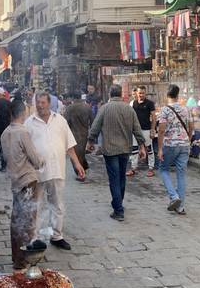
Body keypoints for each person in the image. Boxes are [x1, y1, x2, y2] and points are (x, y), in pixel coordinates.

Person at [25, 91, 85, 250]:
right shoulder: (29, 123)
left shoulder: (60, 120)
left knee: (57, 204)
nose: (40, 105)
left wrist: (77, 164)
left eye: (43, 102)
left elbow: (69, 145)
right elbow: (23, 148)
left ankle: (57, 236)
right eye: (38, 103)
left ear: (49, 103)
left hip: (57, 169)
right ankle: (34, 237)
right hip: (37, 172)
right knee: (36, 205)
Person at [87, 84, 146, 221]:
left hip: (110, 149)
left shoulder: (104, 108)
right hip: (125, 148)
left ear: (110, 94)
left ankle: (118, 210)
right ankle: (118, 203)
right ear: (120, 94)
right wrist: (142, 146)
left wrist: (90, 141)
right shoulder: (129, 109)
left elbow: (95, 127)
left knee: (114, 178)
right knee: (121, 177)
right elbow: (137, 129)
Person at [1, 99, 44, 271]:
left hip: (15, 181)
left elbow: (6, 159)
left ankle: (17, 258)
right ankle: (24, 261)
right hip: (28, 181)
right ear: (22, 113)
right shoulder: (23, 132)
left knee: (17, 220)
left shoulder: (5, 133)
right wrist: (43, 160)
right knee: (27, 221)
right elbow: (35, 159)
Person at [158, 84, 192, 215]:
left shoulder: (165, 110)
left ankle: (174, 197)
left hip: (170, 144)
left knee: (163, 169)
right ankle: (180, 207)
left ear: (167, 95)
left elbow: (161, 130)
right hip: (184, 145)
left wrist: (160, 148)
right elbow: (191, 126)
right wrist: (187, 140)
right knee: (181, 175)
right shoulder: (186, 109)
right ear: (178, 95)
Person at [127, 86, 156, 178]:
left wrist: (152, 129)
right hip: (135, 130)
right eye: (139, 93)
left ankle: (151, 168)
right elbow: (129, 116)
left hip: (146, 129)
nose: (141, 95)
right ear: (136, 93)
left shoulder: (150, 103)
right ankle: (133, 168)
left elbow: (154, 118)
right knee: (134, 149)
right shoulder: (132, 103)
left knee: (149, 149)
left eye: (143, 93)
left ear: (145, 93)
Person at [64, 91, 93, 176]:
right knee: (81, 153)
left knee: (75, 155)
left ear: (73, 98)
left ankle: (80, 173)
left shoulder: (70, 108)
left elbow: (65, 122)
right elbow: (92, 122)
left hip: (73, 134)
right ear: (80, 97)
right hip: (84, 134)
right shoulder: (87, 107)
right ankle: (83, 169)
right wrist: (91, 137)